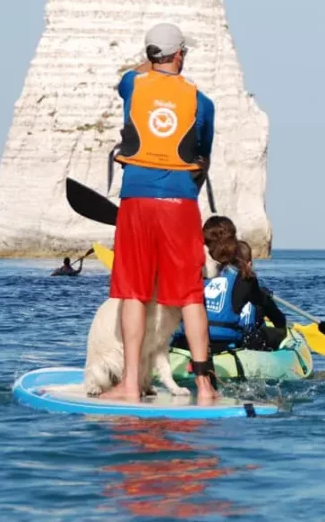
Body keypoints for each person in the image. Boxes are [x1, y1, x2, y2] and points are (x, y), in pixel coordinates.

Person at [103, 23, 218, 402]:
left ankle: (130, 385)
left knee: (133, 291)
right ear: (181, 54)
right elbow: (203, 158)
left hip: (136, 200)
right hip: (180, 203)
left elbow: (135, 74)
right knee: (189, 295)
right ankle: (205, 388)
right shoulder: (202, 102)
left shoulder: (133, 85)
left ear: (152, 56)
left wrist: (152, 60)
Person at [173, 216, 288, 354]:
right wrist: (281, 323)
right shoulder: (244, 276)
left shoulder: (187, 271)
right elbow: (263, 303)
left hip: (184, 343)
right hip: (222, 344)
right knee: (277, 334)